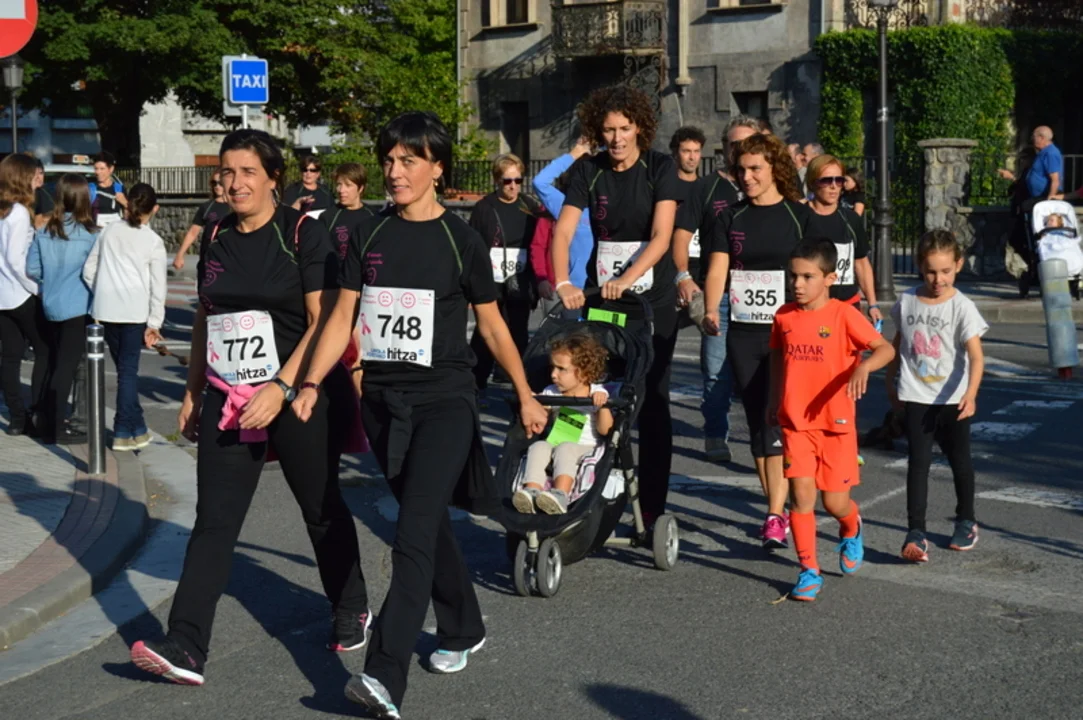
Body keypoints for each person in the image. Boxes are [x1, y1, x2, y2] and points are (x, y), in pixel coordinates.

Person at [292, 111, 547, 719]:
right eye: (389, 160)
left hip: (446, 401)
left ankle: (384, 673)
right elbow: (341, 319)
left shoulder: (462, 240)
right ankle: (463, 626)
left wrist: (525, 392)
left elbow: (492, 326)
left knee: (411, 531)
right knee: (426, 523)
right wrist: (310, 382)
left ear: (437, 168)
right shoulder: (367, 236)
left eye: (409, 160)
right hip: (383, 403)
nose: (394, 171)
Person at [128, 129, 370, 686]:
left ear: (273, 179)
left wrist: (282, 387)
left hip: (297, 392)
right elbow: (207, 319)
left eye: (247, 173)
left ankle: (351, 603)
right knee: (214, 520)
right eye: (227, 173)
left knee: (320, 507)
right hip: (228, 395)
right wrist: (193, 391)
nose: (234, 183)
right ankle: (186, 644)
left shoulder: (303, 233)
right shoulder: (216, 233)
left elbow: (323, 322)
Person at [552, 84, 682, 531]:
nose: (617, 138)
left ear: (640, 128)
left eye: (625, 128)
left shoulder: (659, 167)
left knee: (652, 397)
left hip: (651, 300)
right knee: (592, 387)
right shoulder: (588, 170)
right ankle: (577, 487)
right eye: (609, 130)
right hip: (605, 300)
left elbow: (661, 237)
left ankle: (652, 505)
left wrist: (627, 279)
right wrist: (563, 281)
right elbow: (564, 231)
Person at [769, 238, 895, 601]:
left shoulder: (843, 315)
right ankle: (809, 571)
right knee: (801, 497)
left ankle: (851, 527)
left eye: (807, 277)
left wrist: (864, 368)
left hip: (836, 425)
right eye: (793, 276)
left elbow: (885, 348)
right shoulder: (784, 316)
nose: (797, 284)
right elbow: (778, 359)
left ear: (829, 278)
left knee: (835, 503)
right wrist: (775, 400)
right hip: (797, 423)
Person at [702, 132, 811, 549]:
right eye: (741, 170)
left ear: (774, 169)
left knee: (781, 421)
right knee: (758, 424)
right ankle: (776, 511)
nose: (746, 177)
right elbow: (718, 268)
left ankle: (776, 513)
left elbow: (816, 273)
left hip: (790, 332)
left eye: (755, 169)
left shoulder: (798, 215)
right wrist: (710, 309)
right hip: (745, 332)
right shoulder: (729, 217)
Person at [886, 230, 987, 563]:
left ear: (958, 265)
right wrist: (890, 382)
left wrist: (971, 394)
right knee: (918, 463)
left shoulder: (962, 307)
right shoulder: (907, 301)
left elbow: (976, 356)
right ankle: (916, 532)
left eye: (945, 271)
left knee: (960, 461)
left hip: (954, 398)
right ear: (919, 266)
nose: (938, 279)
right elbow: (898, 343)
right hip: (916, 395)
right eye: (931, 271)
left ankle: (966, 520)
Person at [672, 115, 761, 464]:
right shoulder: (706, 187)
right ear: (723, 148)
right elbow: (680, 237)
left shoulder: (770, 185)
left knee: (764, 373)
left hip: (761, 296)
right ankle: (715, 434)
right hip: (719, 294)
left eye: (748, 143)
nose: (740, 150)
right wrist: (683, 276)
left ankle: (765, 436)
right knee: (716, 371)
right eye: (734, 144)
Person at [83, 183, 168, 451]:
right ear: (155, 209)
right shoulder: (153, 241)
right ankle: (122, 429)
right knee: (127, 373)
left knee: (123, 370)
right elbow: (158, 287)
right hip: (134, 310)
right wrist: (155, 322)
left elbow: (89, 270)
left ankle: (138, 428)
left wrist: (102, 290)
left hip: (106, 310)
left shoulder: (108, 231)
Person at [26, 174, 98, 445]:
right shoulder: (90, 235)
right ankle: (56, 429)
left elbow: (32, 268)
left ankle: (45, 421)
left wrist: (50, 280)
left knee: (55, 363)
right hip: (77, 306)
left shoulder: (45, 231)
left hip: (50, 304)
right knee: (66, 368)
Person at [512, 334, 614, 515]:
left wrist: (602, 407)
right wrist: (535, 402)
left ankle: (560, 494)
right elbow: (541, 416)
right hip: (555, 442)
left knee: (566, 448)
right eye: (553, 367)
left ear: (584, 373)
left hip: (585, 447)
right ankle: (531, 491)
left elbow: (605, 430)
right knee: (538, 446)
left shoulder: (595, 393)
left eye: (561, 369)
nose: (553, 374)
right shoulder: (552, 392)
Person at [468, 153, 544, 392]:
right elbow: (472, 247)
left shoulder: (530, 206)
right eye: (507, 181)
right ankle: (476, 381)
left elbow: (540, 242)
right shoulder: (484, 208)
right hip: (491, 279)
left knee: (518, 329)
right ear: (497, 180)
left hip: (520, 279)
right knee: (485, 331)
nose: (513, 186)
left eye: (517, 180)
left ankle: (515, 382)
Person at [0, 153, 51, 437]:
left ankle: (16, 418)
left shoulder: (4, 209)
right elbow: (15, 258)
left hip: (2, 296)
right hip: (21, 294)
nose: (37, 180)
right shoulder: (19, 212)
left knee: (10, 357)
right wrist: (37, 289)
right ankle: (36, 412)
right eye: (33, 175)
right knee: (44, 350)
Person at [804, 154, 881, 322]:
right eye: (826, 181)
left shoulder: (851, 219)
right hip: (809, 307)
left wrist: (873, 304)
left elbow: (861, 263)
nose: (833, 186)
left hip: (847, 305)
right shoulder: (799, 217)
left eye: (839, 180)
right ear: (812, 183)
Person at [322, 162, 374, 395]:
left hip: (366, 295)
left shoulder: (372, 218)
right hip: (336, 294)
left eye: (348, 185)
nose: (341, 190)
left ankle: (361, 403)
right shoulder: (328, 217)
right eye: (339, 185)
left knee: (362, 354)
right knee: (347, 354)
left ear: (360, 188)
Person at [529, 137, 593, 313]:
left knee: (606, 331)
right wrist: (575, 153)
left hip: (607, 289)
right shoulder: (566, 205)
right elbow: (540, 182)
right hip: (575, 292)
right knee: (572, 331)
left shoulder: (612, 203)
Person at [173, 171, 230, 270]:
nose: (217, 186)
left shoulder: (235, 207)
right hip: (207, 258)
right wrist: (180, 254)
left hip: (227, 259)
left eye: (220, 183)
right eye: (214, 183)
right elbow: (193, 232)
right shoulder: (206, 207)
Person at [89, 151, 127, 226]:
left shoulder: (120, 188)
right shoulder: (89, 188)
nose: (98, 172)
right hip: (95, 231)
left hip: (115, 231)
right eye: (96, 168)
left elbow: (129, 214)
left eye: (102, 169)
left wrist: (125, 203)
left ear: (111, 169)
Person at [1025, 126, 1062, 201]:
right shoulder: (1043, 151)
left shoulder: (1051, 153)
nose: (1032, 139)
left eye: (1034, 136)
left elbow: (1055, 180)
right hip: (1038, 197)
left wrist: (1049, 200)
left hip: (1044, 197)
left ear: (1041, 138)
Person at [31, 157, 55, 229]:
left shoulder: (42, 194)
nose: (38, 177)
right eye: (34, 173)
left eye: (41, 173)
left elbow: (41, 224)